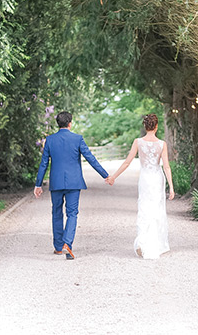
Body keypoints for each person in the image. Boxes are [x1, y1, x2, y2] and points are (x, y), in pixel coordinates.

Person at [34, 111, 109, 260]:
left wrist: (38, 184)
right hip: (74, 182)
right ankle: (67, 243)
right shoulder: (77, 139)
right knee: (72, 213)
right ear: (70, 123)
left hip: (56, 182)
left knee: (56, 212)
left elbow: (43, 164)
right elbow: (91, 158)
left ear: (58, 124)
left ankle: (58, 247)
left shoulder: (50, 140)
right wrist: (105, 175)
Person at [106, 114, 174, 259]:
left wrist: (113, 177)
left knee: (144, 209)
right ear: (156, 127)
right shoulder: (162, 144)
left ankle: (143, 242)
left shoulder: (138, 142)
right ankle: (155, 243)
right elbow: (166, 167)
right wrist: (171, 187)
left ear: (145, 126)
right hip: (157, 178)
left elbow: (127, 162)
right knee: (156, 210)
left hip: (145, 179)